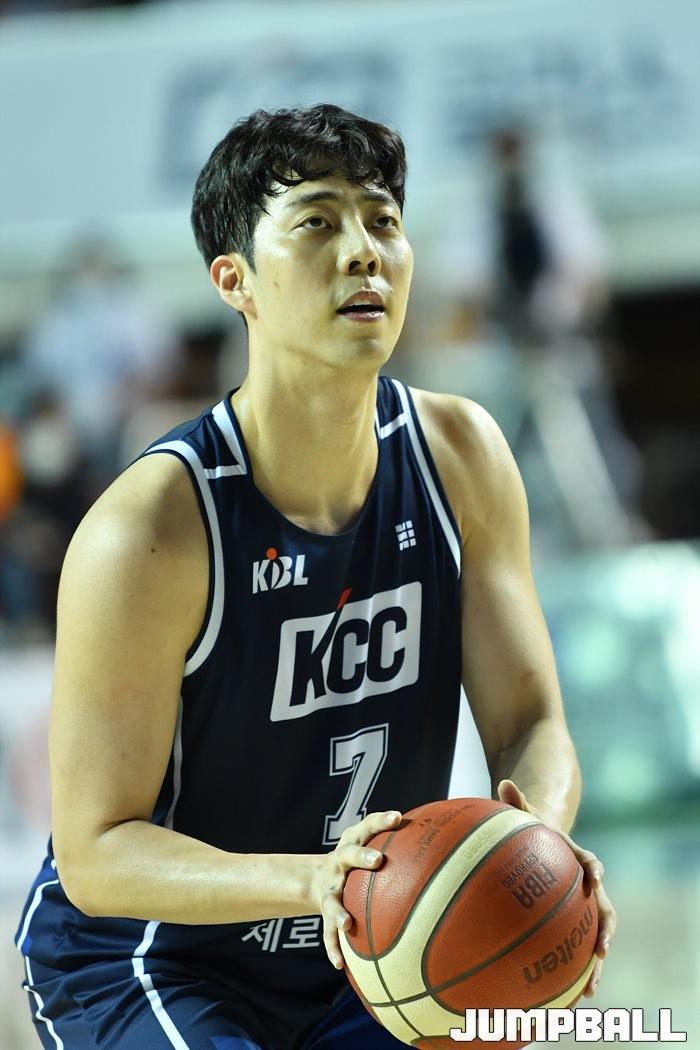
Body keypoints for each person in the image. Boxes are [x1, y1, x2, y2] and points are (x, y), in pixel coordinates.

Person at [16, 104, 615, 1050]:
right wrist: (316, 880)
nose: (363, 251)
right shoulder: (150, 530)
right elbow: (96, 855)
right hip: (149, 959)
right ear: (235, 281)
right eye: (317, 222)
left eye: (382, 221)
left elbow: (531, 722)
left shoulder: (462, 456)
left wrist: (530, 853)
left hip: (375, 951)